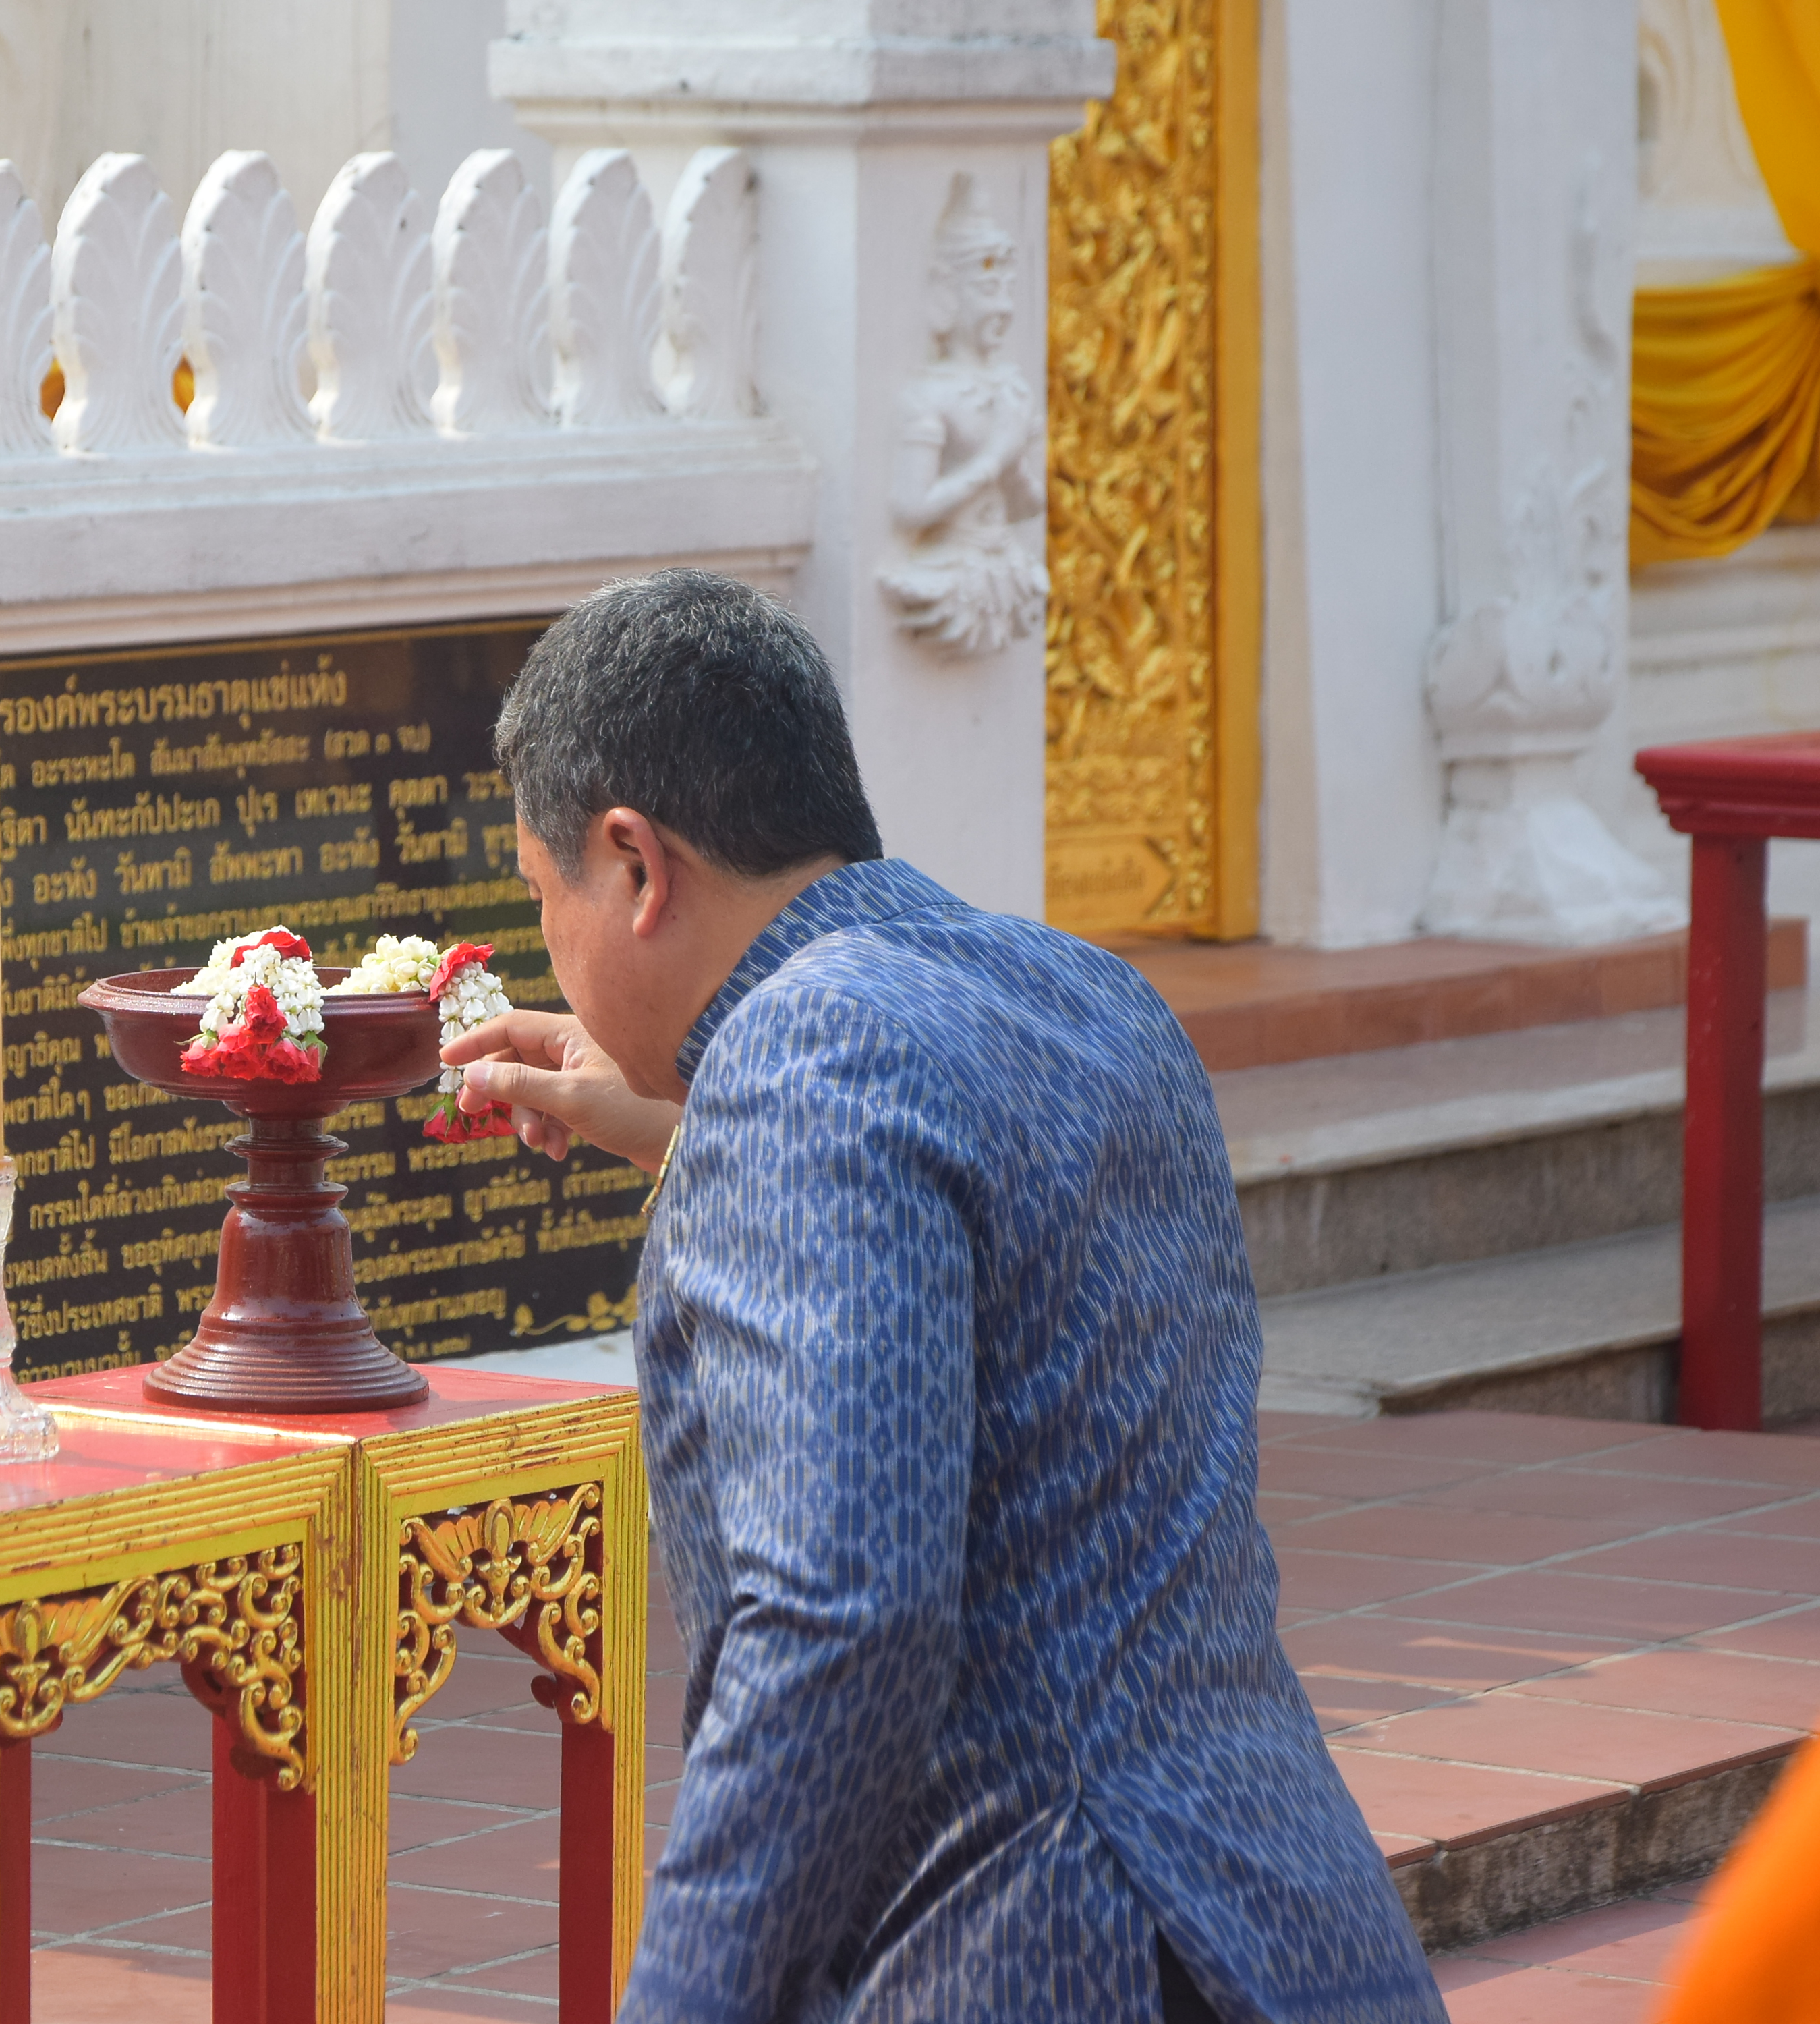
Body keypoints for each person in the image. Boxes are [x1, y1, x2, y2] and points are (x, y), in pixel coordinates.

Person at [442, 569, 1444, 2023]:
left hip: (1040, 1944)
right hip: (1283, 1908)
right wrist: (686, 1124)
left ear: (635, 865)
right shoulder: (1083, 992)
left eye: (547, 903)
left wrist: (687, 2000)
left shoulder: (803, 1064)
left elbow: (845, 1619)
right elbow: (982, 1217)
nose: (556, 954)